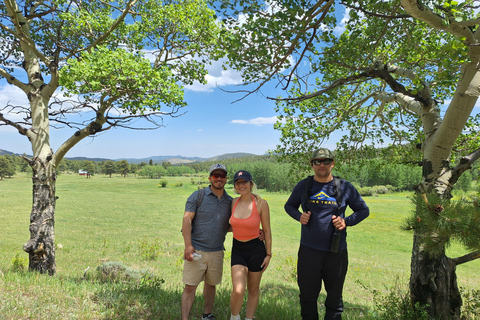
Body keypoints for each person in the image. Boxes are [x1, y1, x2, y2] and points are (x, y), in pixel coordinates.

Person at [284, 148, 369, 320]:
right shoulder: (304, 186)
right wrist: (299, 216)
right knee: (307, 298)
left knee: (334, 300)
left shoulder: (344, 187)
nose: (322, 164)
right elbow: (289, 206)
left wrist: (346, 221)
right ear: (312, 164)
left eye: (326, 161)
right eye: (317, 161)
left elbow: (363, 210)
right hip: (309, 252)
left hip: (336, 252)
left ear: (333, 163)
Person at [181, 163, 232, 320]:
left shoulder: (230, 201)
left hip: (217, 251)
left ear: (226, 179)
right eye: (215, 176)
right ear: (209, 178)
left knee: (211, 285)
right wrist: (188, 246)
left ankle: (207, 315)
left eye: (222, 176)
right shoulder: (198, 196)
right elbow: (186, 219)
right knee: (190, 287)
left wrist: (255, 232)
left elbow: (232, 225)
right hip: (197, 250)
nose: (219, 179)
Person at [229, 170, 272, 320]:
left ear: (251, 183)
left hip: (256, 251)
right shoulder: (233, 202)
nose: (241, 185)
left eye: (244, 182)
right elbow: (232, 225)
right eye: (238, 183)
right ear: (235, 186)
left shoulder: (261, 203)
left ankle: (249, 318)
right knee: (238, 290)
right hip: (238, 250)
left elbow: (266, 230)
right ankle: (234, 317)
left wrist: (268, 254)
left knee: (253, 290)